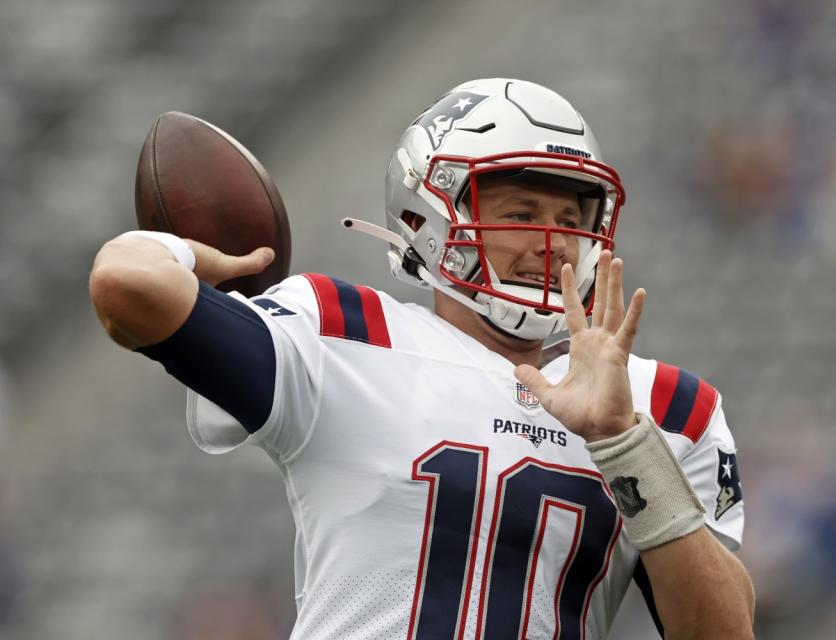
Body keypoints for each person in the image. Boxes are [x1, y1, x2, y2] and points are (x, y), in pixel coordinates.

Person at [89, 78, 754, 639]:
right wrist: (192, 256)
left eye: (571, 220)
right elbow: (127, 287)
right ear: (425, 218)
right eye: (521, 212)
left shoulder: (664, 407)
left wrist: (624, 444)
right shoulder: (344, 333)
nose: (554, 243)